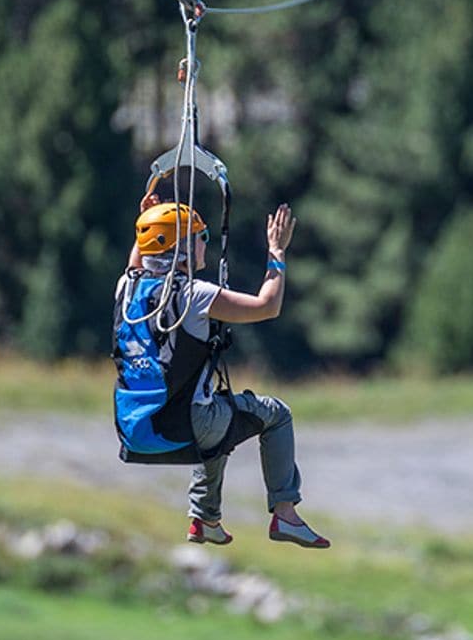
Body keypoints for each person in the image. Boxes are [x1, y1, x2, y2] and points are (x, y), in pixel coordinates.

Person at [112, 198, 329, 549]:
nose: (205, 243)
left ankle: (205, 520)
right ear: (181, 249)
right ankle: (286, 514)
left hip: (134, 428)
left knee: (217, 415)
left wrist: (146, 221)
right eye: (200, 236)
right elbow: (267, 306)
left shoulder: (126, 289)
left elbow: (141, 260)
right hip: (183, 424)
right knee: (274, 414)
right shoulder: (194, 295)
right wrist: (277, 251)